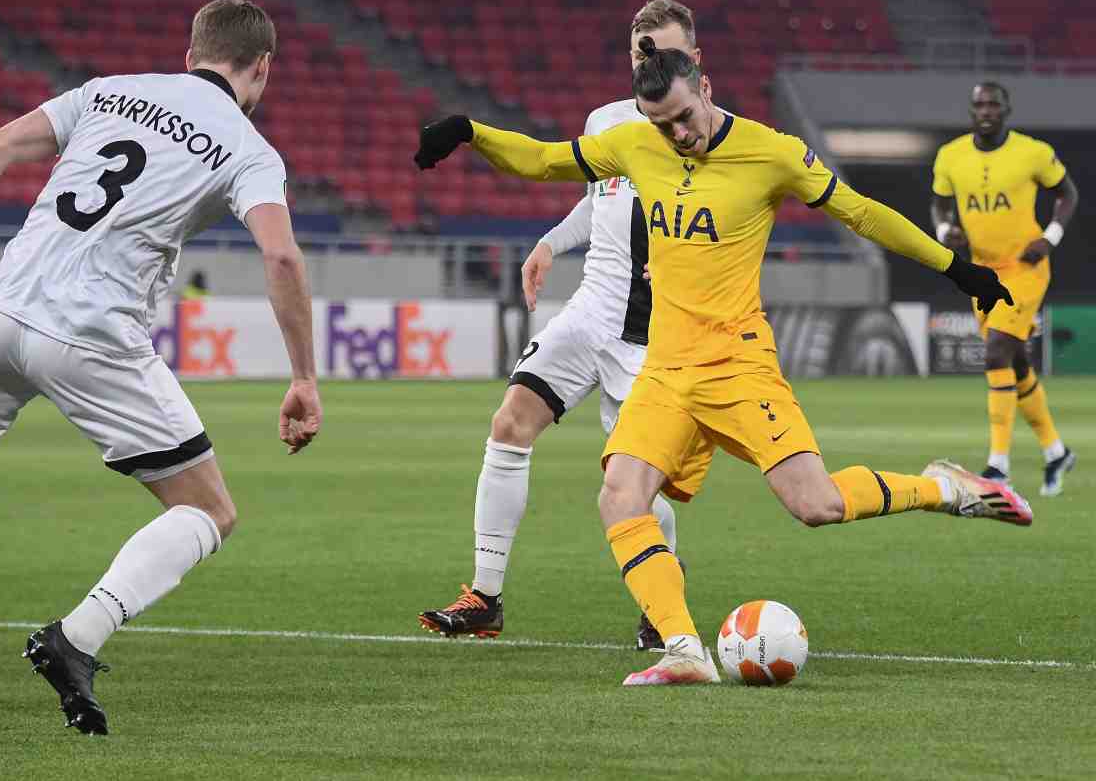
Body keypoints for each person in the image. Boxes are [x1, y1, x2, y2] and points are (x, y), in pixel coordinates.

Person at [415, 42, 1032, 687]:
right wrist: (470, 132)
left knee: (815, 504)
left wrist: (957, 269)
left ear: (705, 86)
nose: (677, 134)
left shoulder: (773, 152)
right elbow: (543, 161)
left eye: (683, 117)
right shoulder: (634, 143)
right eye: (662, 124)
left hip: (739, 365)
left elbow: (862, 213)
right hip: (666, 369)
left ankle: (943, 487)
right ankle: (683, 649)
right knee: (621, 495)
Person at [0, 0, 322, 734]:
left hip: (2, 310)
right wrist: (303, 377)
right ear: (262, 68)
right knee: (209, 510)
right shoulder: (248, 145)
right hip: (92, 332)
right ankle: (75, 639)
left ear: (189, 48)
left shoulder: (108, 90)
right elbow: (281, 254)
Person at [418, 0, 710, 653]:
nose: (652, 63)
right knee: (510, 422)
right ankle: (484, 597)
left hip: (655, 336)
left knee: (636, 481)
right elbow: (599, 200)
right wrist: (552, 241)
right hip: (591, 312)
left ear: (694, 58)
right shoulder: (607, 120)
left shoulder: (713, 134)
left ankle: (661, 594)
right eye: (643, 53)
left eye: (665, 53)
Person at [931, 82, 1079, 495]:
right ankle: (1056, 451)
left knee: (996, 349)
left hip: (1025, 269)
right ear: (971, 110)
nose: (986, 110)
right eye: (979, 104)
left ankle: (997, 466)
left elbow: (1067, 193)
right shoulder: (950, 156)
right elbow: (939, 202)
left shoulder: (1032, 152)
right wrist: (945, 229)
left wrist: (1050, 237)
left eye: (993, 103)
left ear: (1006, 109)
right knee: (1014, 363)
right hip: (981, 274)